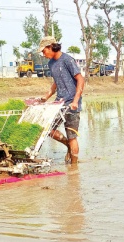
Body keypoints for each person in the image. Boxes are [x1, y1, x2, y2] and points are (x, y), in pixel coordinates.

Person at [37, 36, 84, 164]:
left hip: (72, 104)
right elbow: (56, 82)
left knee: (72, 136)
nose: (43, 54)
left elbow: (80, 79)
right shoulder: (51, 63)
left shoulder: (68, 60)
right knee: (47, 129)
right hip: (59, 103)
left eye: (44, 51)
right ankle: (67, 144)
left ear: (51, 47)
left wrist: (75, 101)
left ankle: (74, 168)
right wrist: (46, 96)